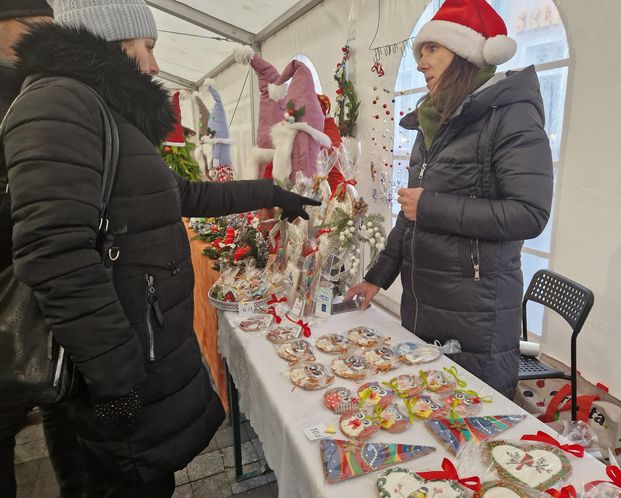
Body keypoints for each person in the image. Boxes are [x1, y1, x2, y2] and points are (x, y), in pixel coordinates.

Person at [2, 0, 319, 496]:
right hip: (118, 370)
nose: (153, 65)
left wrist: (271, 193)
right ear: (110, 37)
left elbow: (180, 195)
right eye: (147, 47)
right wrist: (116, 377)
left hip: (142, 357)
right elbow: (54, 253)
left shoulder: (100, 108)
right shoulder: (59, 103)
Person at [346, 0, 553, 399]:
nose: (421, 63)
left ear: (467, 55)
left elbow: (529, 214)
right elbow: (412, 213)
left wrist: (432, 207)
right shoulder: (436, 121)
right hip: (424, 307)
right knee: (426, 417)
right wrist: (376, 278)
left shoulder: (511, 116)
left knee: (471, 432)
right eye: (420, 52)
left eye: (432, 50)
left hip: (476, 320)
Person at [0, 3, 87, 498]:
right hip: (19, 295)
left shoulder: (37, 91)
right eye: (34, 30)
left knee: (59, 403)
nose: (44, 43)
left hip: (42, 306)